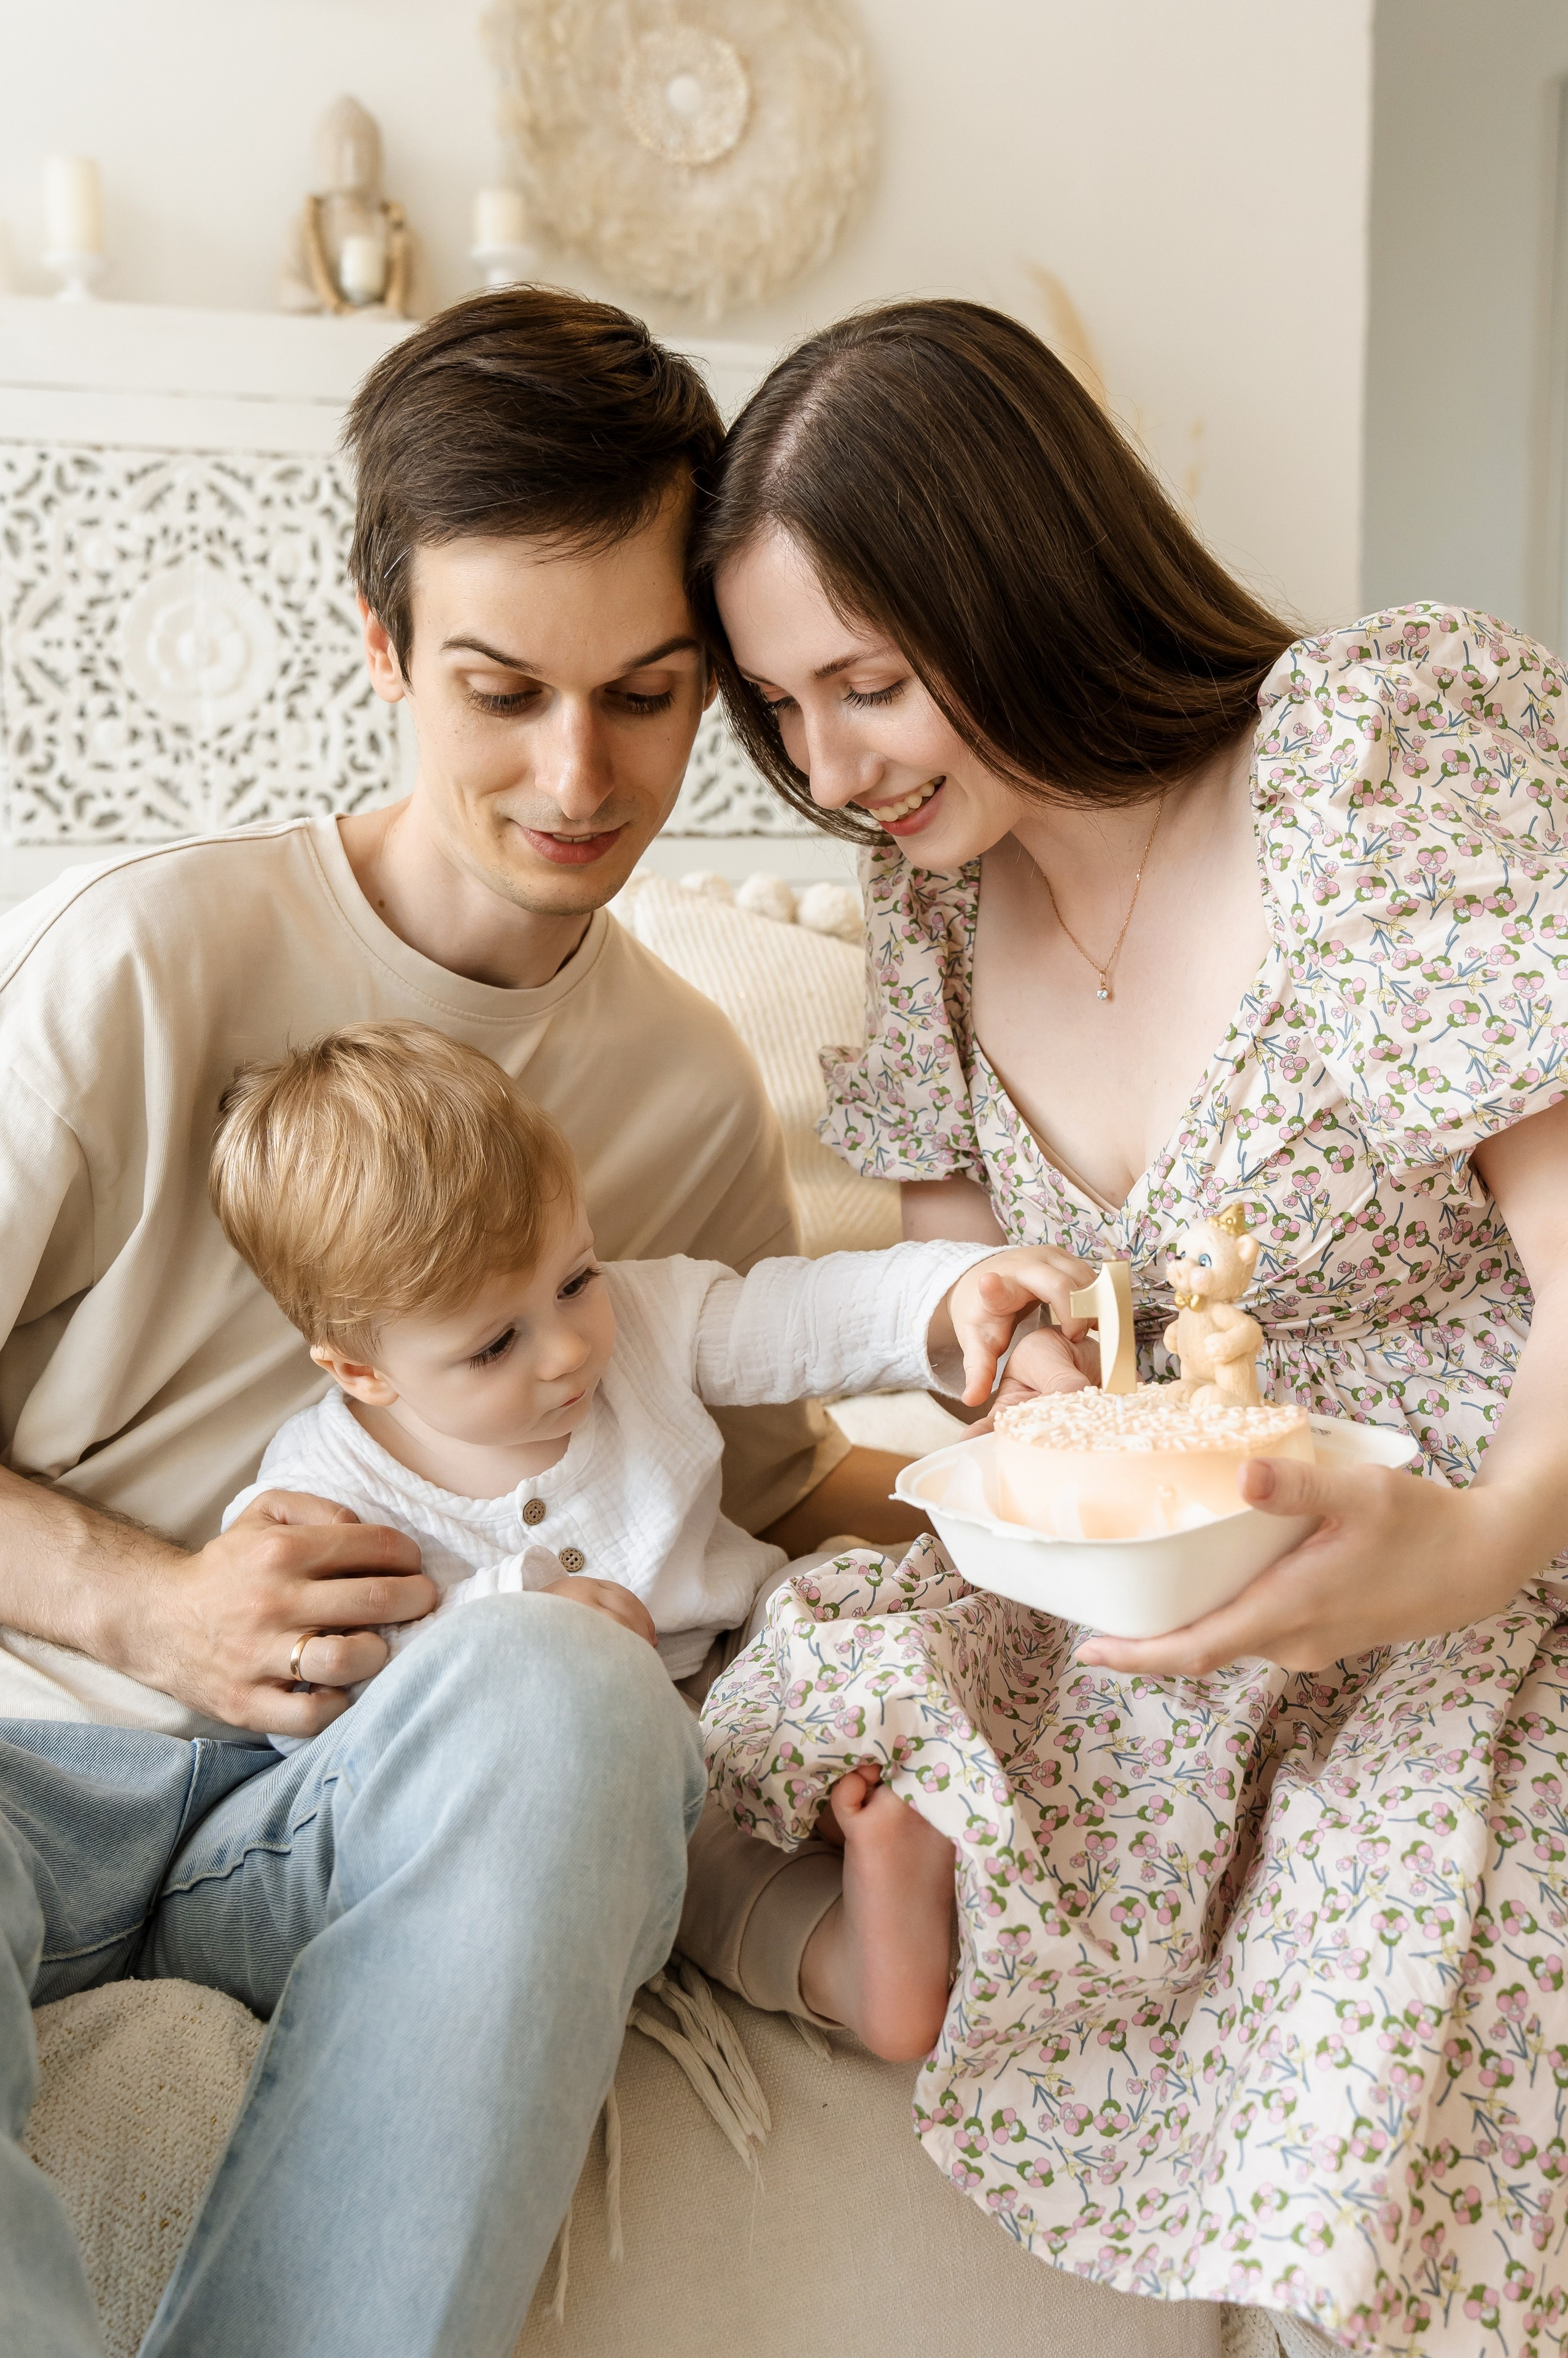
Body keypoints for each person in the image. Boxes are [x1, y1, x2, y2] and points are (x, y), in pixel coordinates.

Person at [0, 287, 915, 2358]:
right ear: (385, 645)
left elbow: (757, 1504)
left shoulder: (681, 1088)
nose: (578, 776)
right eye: (500, 688)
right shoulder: (139, 960)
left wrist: (1079, 1497)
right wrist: (152, 1610)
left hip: (359, 1804)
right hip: (33, 1751)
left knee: (582, 1690)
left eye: (649, 696)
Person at [693, 299, 1568, 2351]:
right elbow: (981, 1328)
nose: (829, 770)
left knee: (1406, 1886)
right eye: (780, 708)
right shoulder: (928, 914)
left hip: (1490, 1532)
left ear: (1017, 581)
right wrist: (1034, 1379)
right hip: (1189, 1566)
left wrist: (1480, 1543)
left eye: (872, 684)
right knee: (808, 1695)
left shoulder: (1362, 754)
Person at [206, 1018, 1087, 2051]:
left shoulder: (648, 1321)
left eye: (575, 1280)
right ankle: (868, 1969)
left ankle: (920, 1810)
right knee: (705, 1882)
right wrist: (517, 1629)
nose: (571, 1349)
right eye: (496, 1344)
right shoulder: (318, 1492)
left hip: (756, 1660)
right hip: (601, 1778)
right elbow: (322, 1711)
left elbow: (801, 1317)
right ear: (362, 1371)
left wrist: (947, 1296)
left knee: (881, 1614)